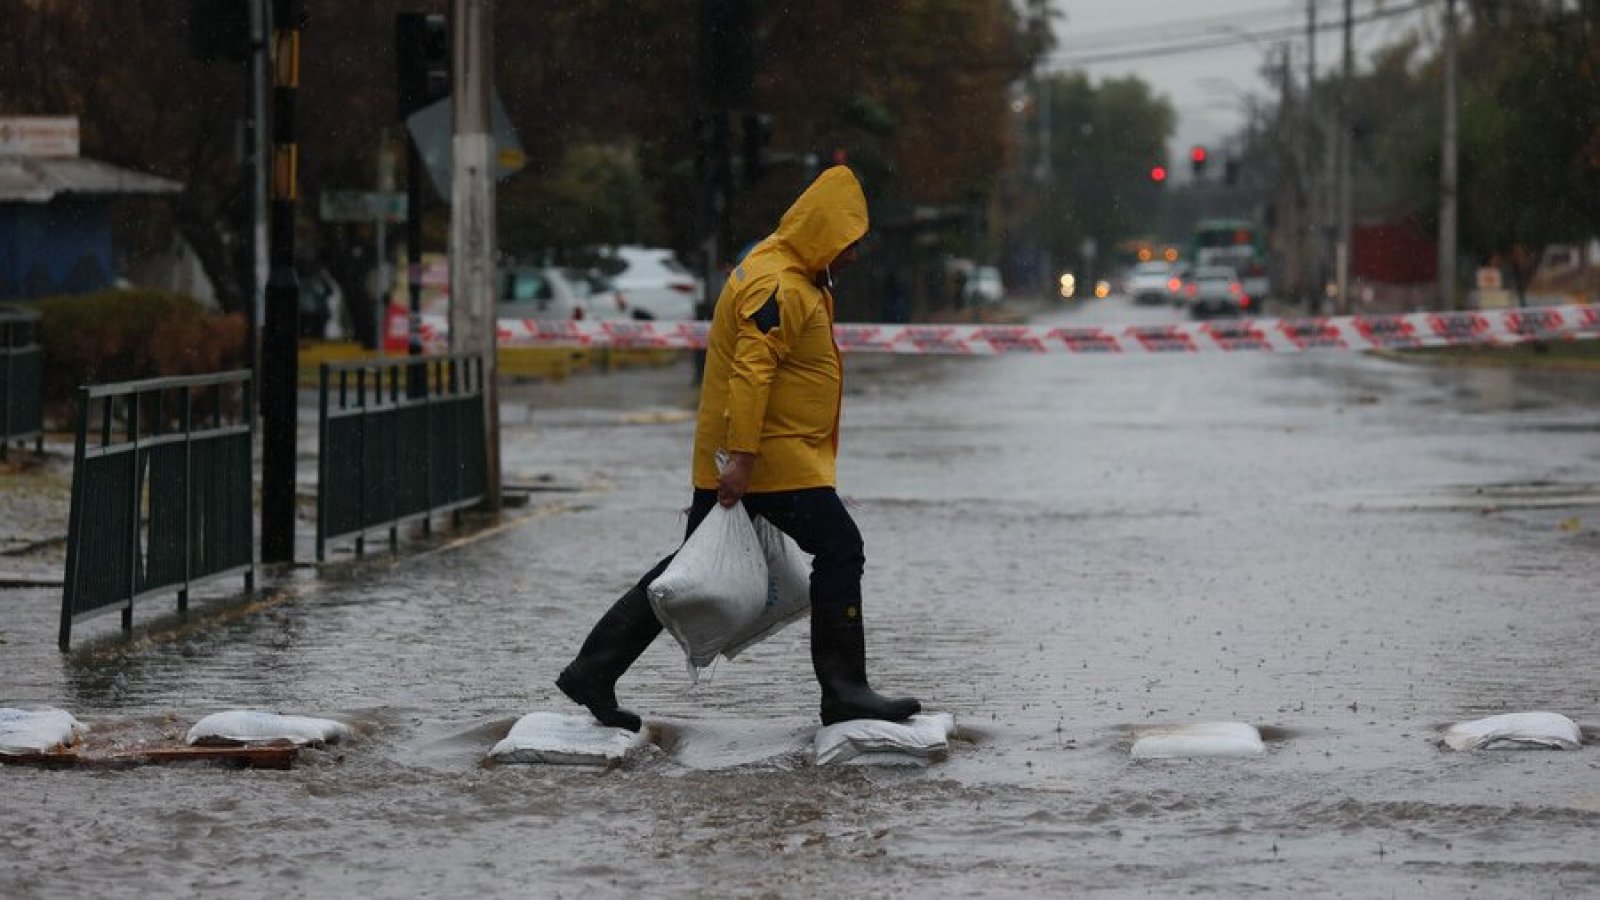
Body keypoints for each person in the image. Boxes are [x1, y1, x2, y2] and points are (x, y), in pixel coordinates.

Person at [556, 166, 922, 732]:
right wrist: (743, 461)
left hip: (760, 457)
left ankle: (592, 670)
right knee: (841, 547)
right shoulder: (777, 284)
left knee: (685, 570)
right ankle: (845, 689)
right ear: (822, 232)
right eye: (848, 243)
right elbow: (751, 375)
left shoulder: (792, 271)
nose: (853, 255)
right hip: (766, 461)